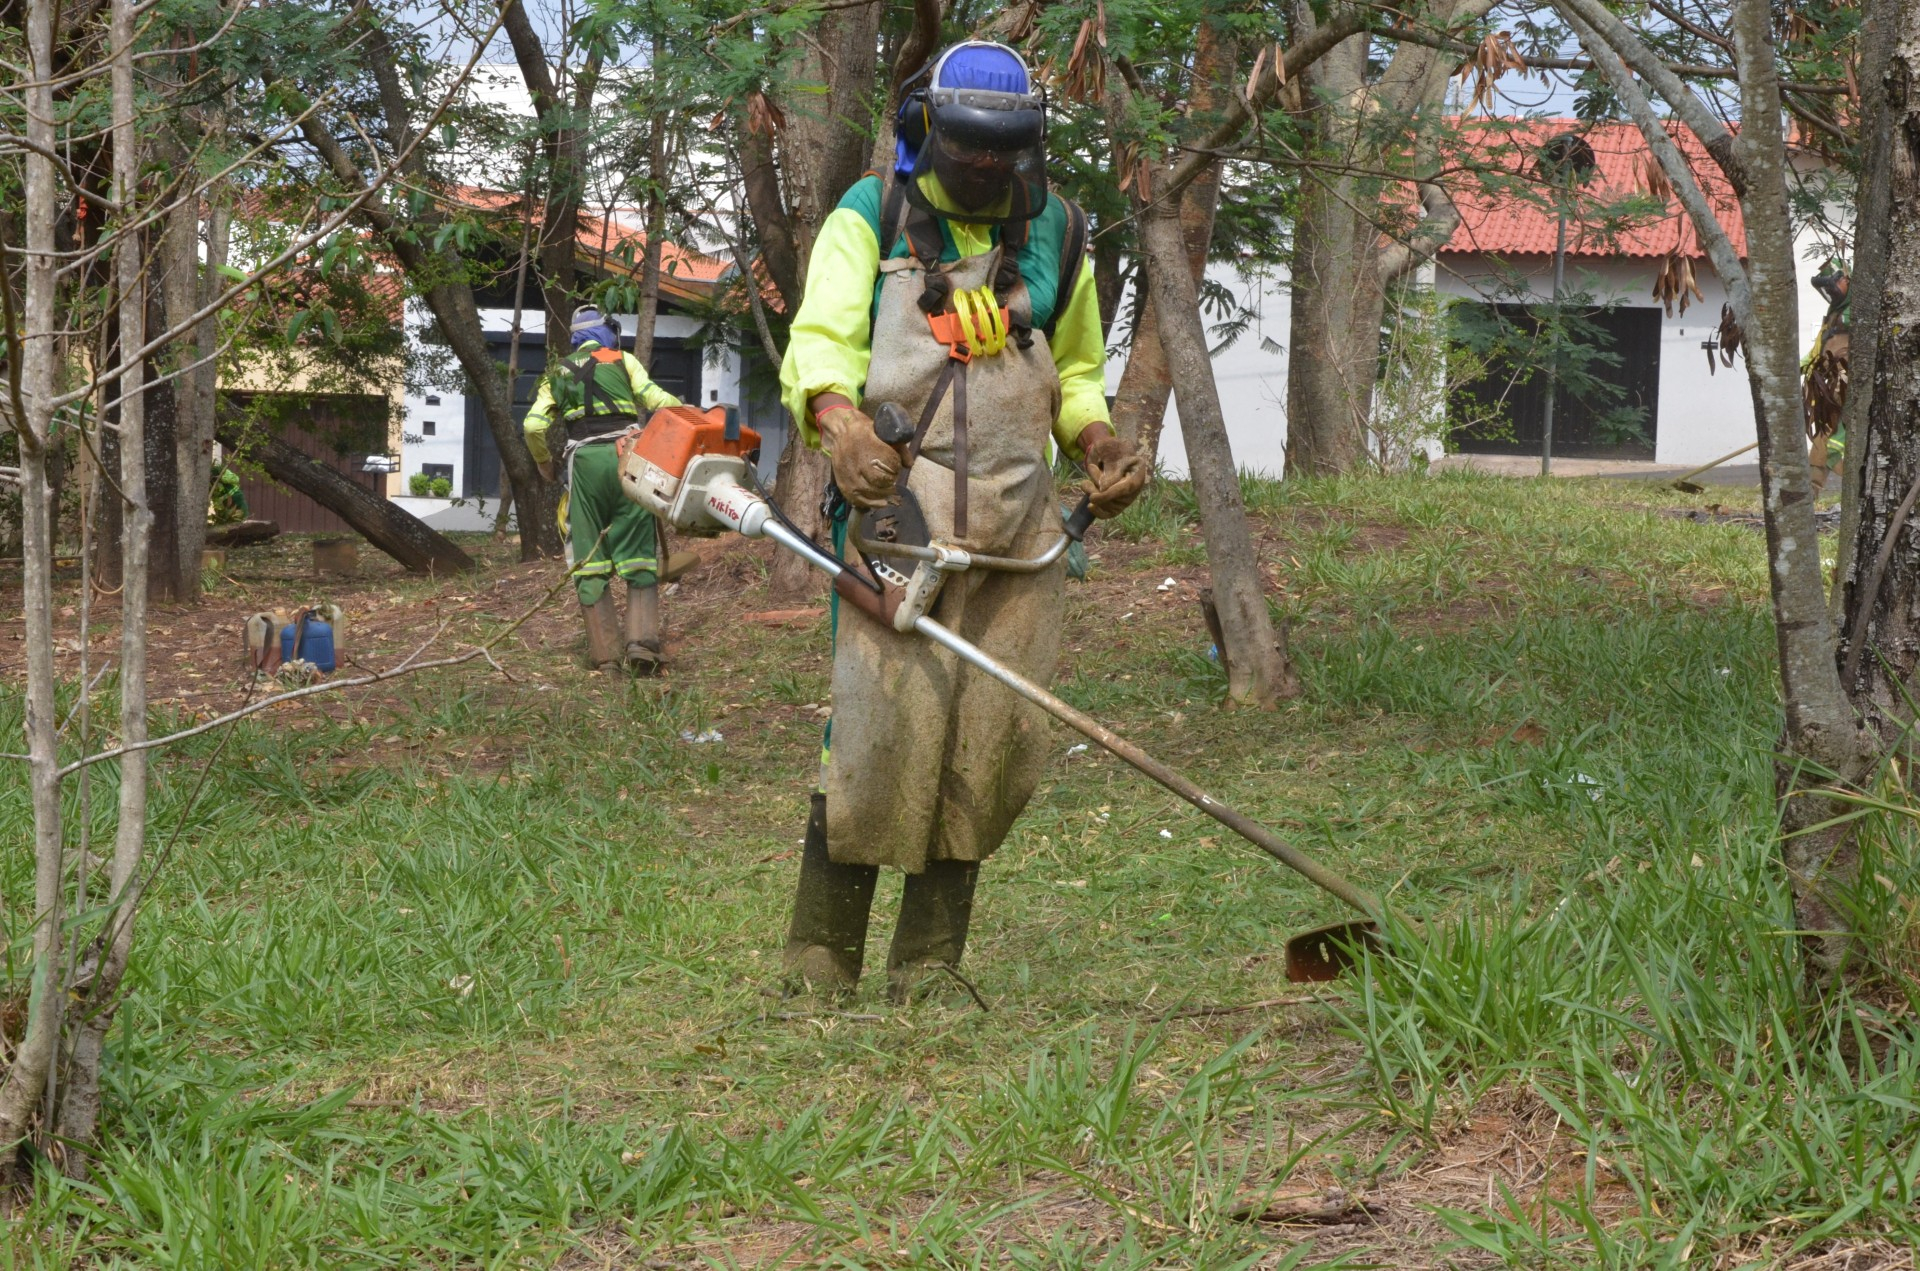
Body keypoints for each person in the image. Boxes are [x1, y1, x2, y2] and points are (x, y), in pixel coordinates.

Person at [775, 40, 1149, 1001]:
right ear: (926, 129)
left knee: (986, 739)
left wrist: (1099, 441)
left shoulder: (1058, 229)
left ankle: (930, 966)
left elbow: (1074, 371)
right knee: (874, 730)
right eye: (968, 145)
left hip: (1020, 531)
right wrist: (842, 426)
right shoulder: (873, 215)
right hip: (899, 521)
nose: (986, 164)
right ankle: (820, 957)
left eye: (1004, 149)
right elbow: (819, 344)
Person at [523, 306, 682, 676]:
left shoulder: (557, 372)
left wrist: (544, 464)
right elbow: (663, 403)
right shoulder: (624, 361)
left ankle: (606, 657)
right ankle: (642, 644)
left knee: (589, 556)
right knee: (639, 553)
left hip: (584, 466)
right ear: (608, 332)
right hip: (629, 460)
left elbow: (532, 426)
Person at [1804, 261, 1850, 493]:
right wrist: (1804, 367)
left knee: (1829, 440)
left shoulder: (1858, 309)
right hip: (1826, 386)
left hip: (1843, 387)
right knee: (1824, 437)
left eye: (1833, 286)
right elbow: (1820, 347)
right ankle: (1812, 489)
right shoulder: (1835, 312)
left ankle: (1814, 488)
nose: (1830, 293)